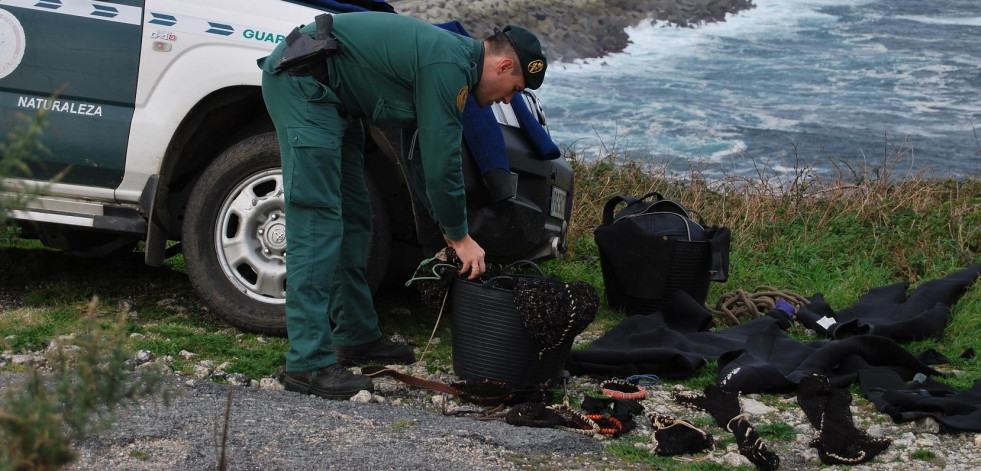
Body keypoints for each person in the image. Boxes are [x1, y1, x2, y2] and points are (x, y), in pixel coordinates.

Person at [258, 11, 548, 399]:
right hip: (304, 87)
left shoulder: (452, 65)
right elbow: (441, 161)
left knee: (356, 217)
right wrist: (460, 236)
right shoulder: (448, 67)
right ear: (504, 64)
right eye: (514, 87)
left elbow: (416, 158)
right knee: (318, 221)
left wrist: (445, 230)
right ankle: (307, 363)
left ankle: (355, 337)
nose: (509, 98)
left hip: (337, 103)